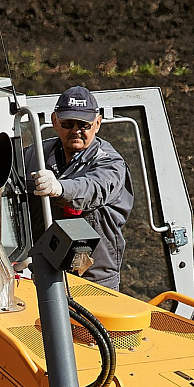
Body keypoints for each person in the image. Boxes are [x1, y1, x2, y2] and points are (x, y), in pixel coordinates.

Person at [24, 86, 134, 291]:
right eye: (67, 123)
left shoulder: (109, 162)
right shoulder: (37, 154)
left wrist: (59, 189)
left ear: (97, 124)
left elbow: (93, 188)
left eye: (83, 125)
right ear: (55, 121)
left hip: (93, 278)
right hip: (45, 272)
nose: (75, 130)